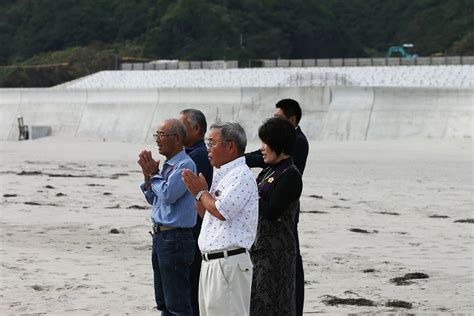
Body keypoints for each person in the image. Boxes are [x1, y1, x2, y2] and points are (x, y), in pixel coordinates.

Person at [182, 122, 258, 316]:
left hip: (229, 262)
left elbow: (221, 211)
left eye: (212, 143)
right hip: (212, 262)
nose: (208, 150)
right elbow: (207, 215)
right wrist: (198, 195)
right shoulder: (223, 174)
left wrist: (201, 193)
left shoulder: (241, 175)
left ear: (230, 146)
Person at [245, 98, 309, 316]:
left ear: (279, 145)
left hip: (276, 255)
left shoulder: (289, 174)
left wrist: (247, 195)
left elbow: (272, 211)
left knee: (274, 306)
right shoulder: (270, 170)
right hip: (259, 250)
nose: (261, 148)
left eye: (265, 143)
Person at [138, 118, 197, 315]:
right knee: (163, 300)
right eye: (157, 135)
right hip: (161, 237)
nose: (158, 140)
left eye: (162, 135)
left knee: (177, 303)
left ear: (177, 138)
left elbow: (169, 194)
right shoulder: (167, 165)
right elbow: (153, 198)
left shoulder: (185, 165)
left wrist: (153, 174)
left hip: (176, 238)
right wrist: (149, 177)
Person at [179, 109, 213, 316]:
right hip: (195, 230)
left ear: (196, 129)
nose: (178, 132)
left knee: (191, 292)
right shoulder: (191, 154)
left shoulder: (198, 156)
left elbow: (178, 193)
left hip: (195, 231)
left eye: (181, 127)